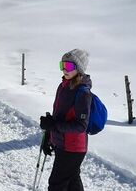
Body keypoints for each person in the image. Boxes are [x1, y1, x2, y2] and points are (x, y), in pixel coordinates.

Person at [39, 49, 92, 191]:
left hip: (73, 147)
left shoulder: (83, 93)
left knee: (57, 184)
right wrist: (49, 136)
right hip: (63, 144)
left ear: (79, 69)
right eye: (62, 65)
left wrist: (54, 125)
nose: (64, 69)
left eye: (69, 66)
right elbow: (59, 117)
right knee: (72, 182)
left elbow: (81, 126)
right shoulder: (63, 86)